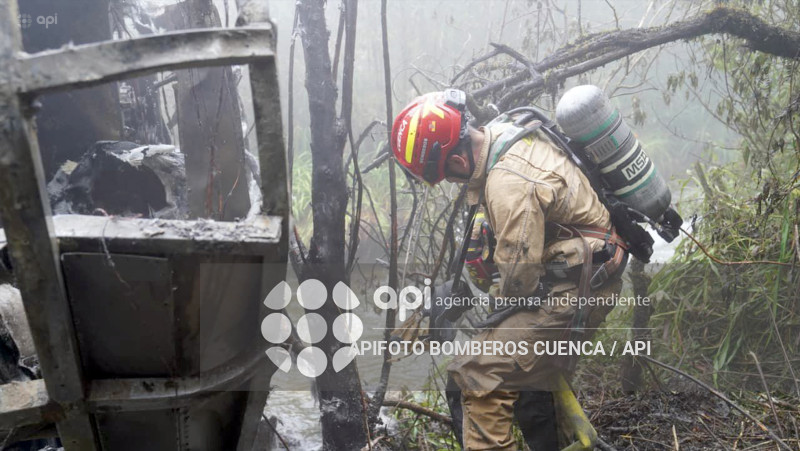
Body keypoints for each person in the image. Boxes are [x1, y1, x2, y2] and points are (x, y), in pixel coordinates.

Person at [390, 89, 628, 450]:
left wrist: (493, 312)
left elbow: (519, 276)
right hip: (585, 276)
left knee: (476, 373)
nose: (453, 182)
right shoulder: (504, 132)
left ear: (455, 161)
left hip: (575, 291)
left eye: (447, 176)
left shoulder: (508, 182)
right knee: (535, 382)